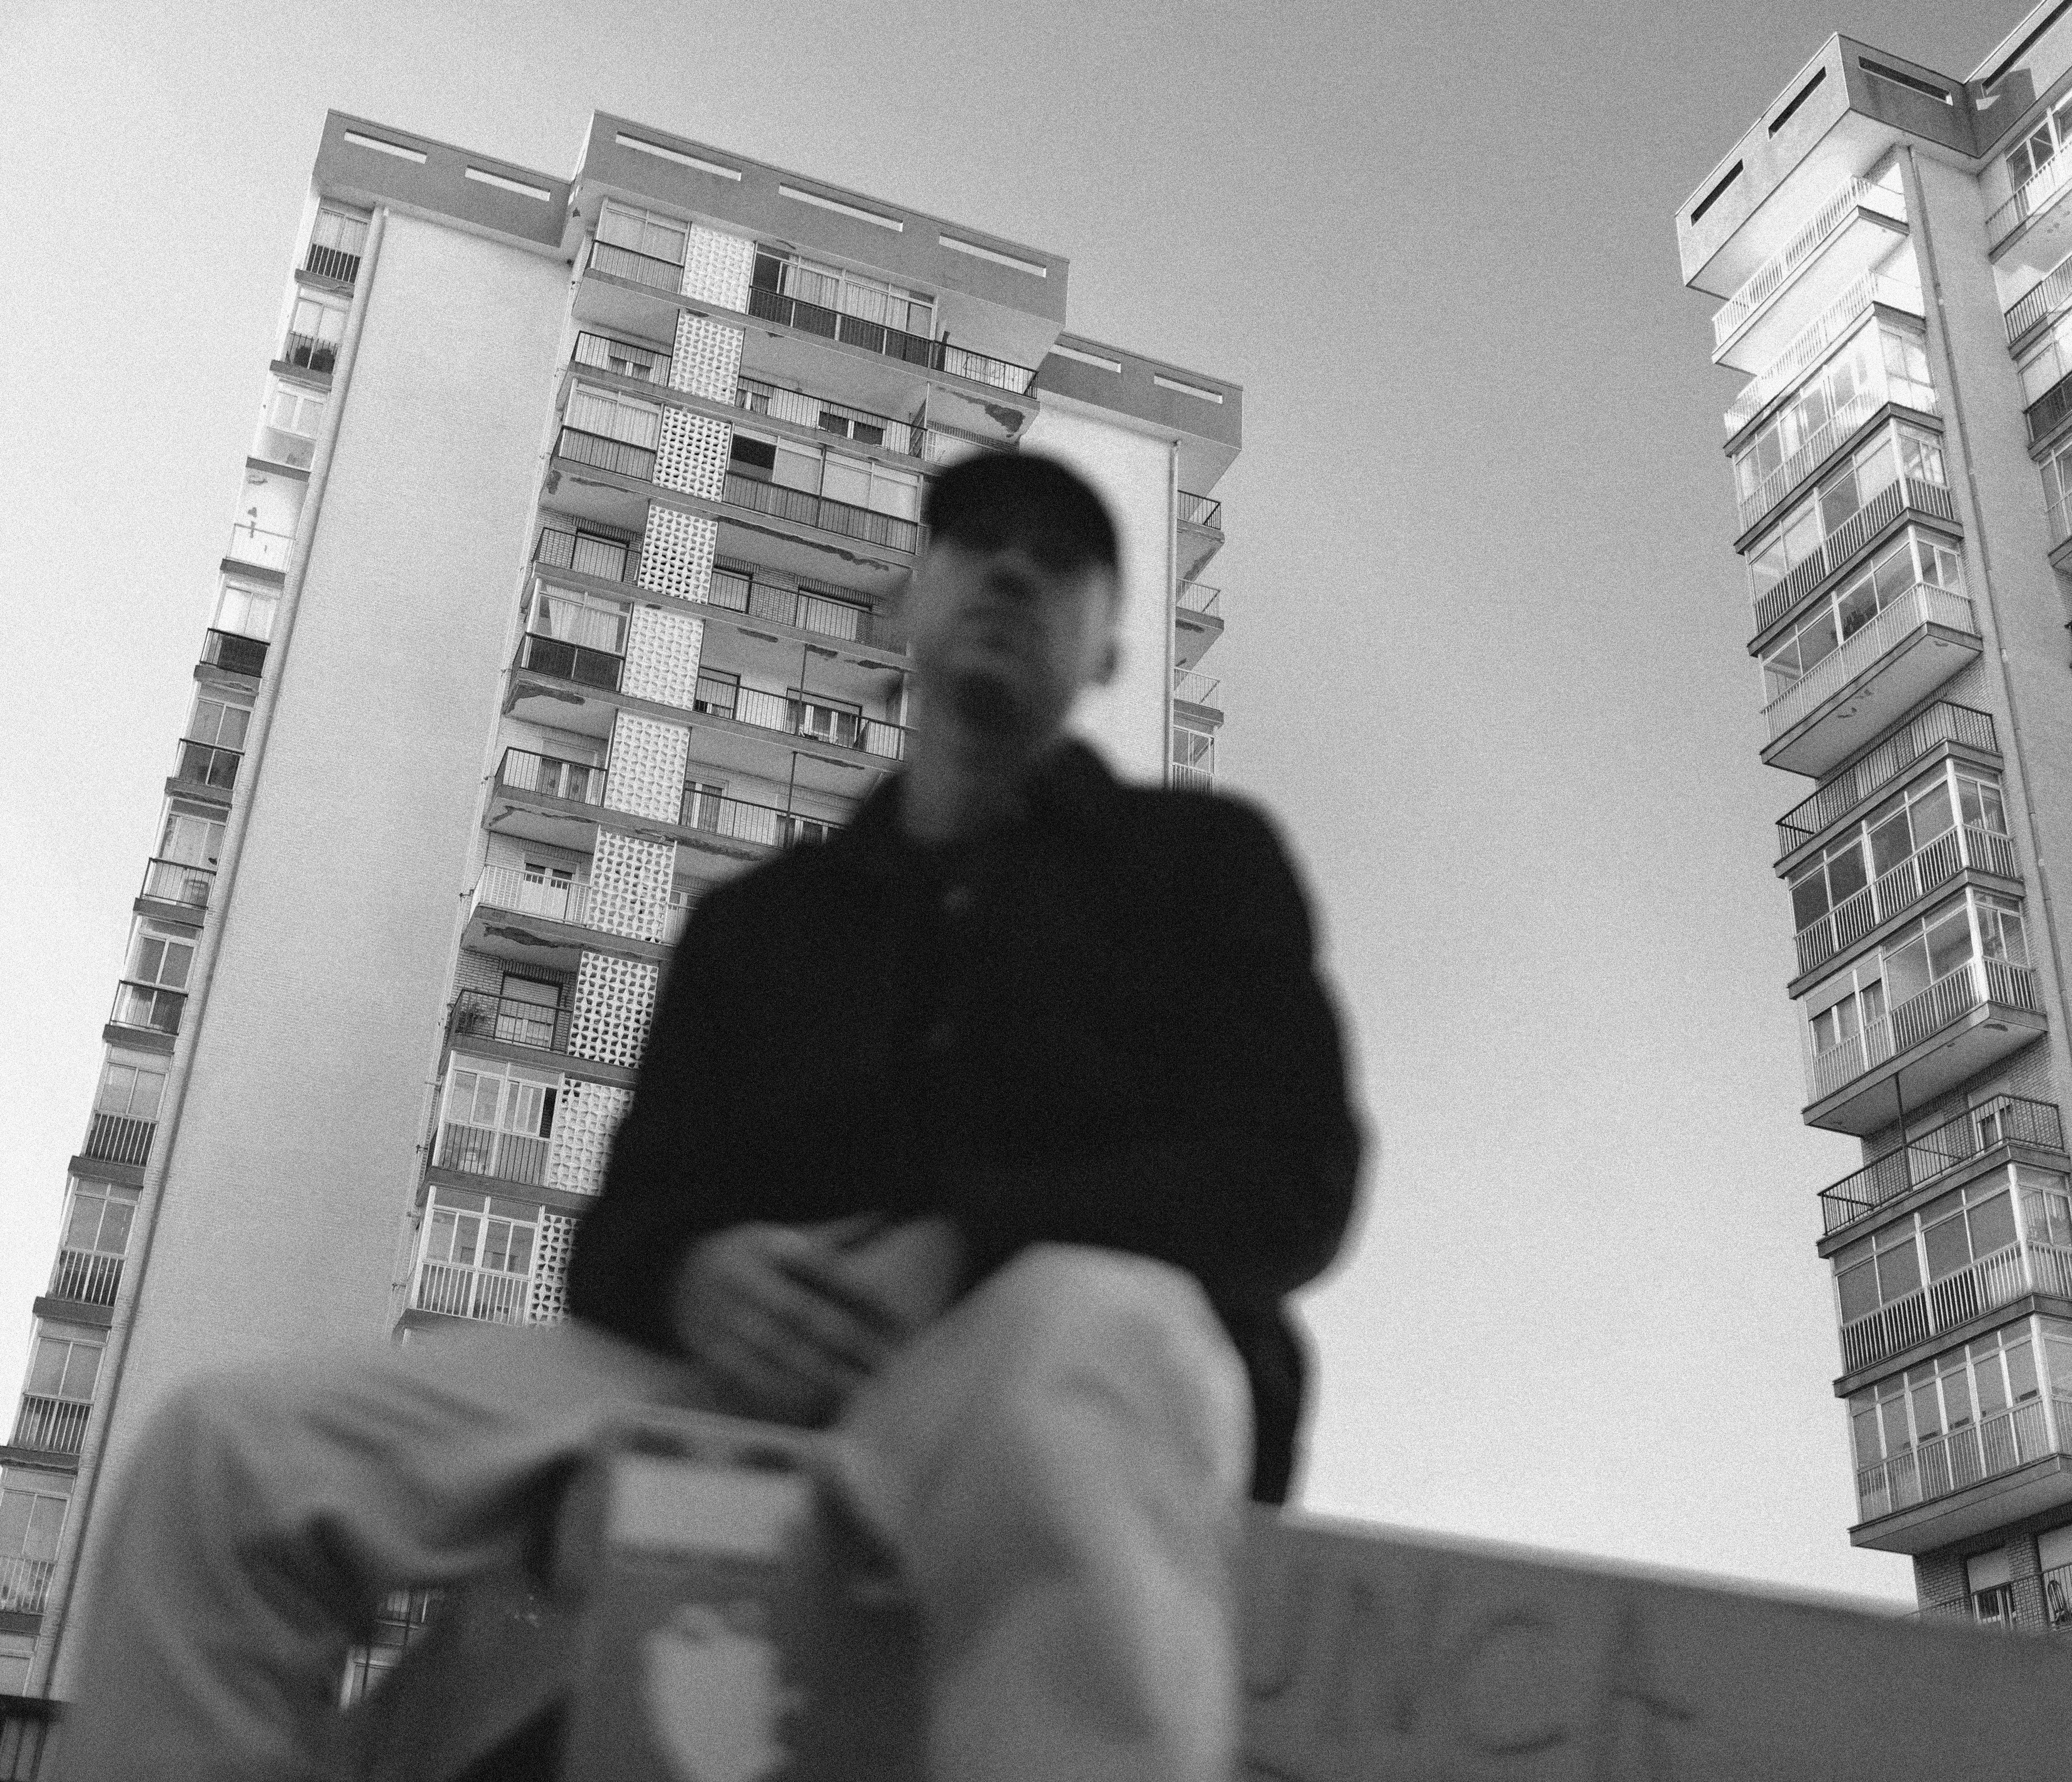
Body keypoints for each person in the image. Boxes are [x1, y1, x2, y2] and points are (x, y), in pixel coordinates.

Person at [53, 453, 1363, 1782]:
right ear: (907, 602)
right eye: (977, 541)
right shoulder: (762, 925)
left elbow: (1294, 1184)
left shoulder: (1203, 867)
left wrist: (973, 1244)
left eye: (1061, 555)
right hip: (727, 1375)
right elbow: (625, 1228)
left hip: (1043, 1359)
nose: (1015, 568)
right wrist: (695, 1274)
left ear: (1110, 649)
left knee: (1084, 1347)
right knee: (227, 1457)